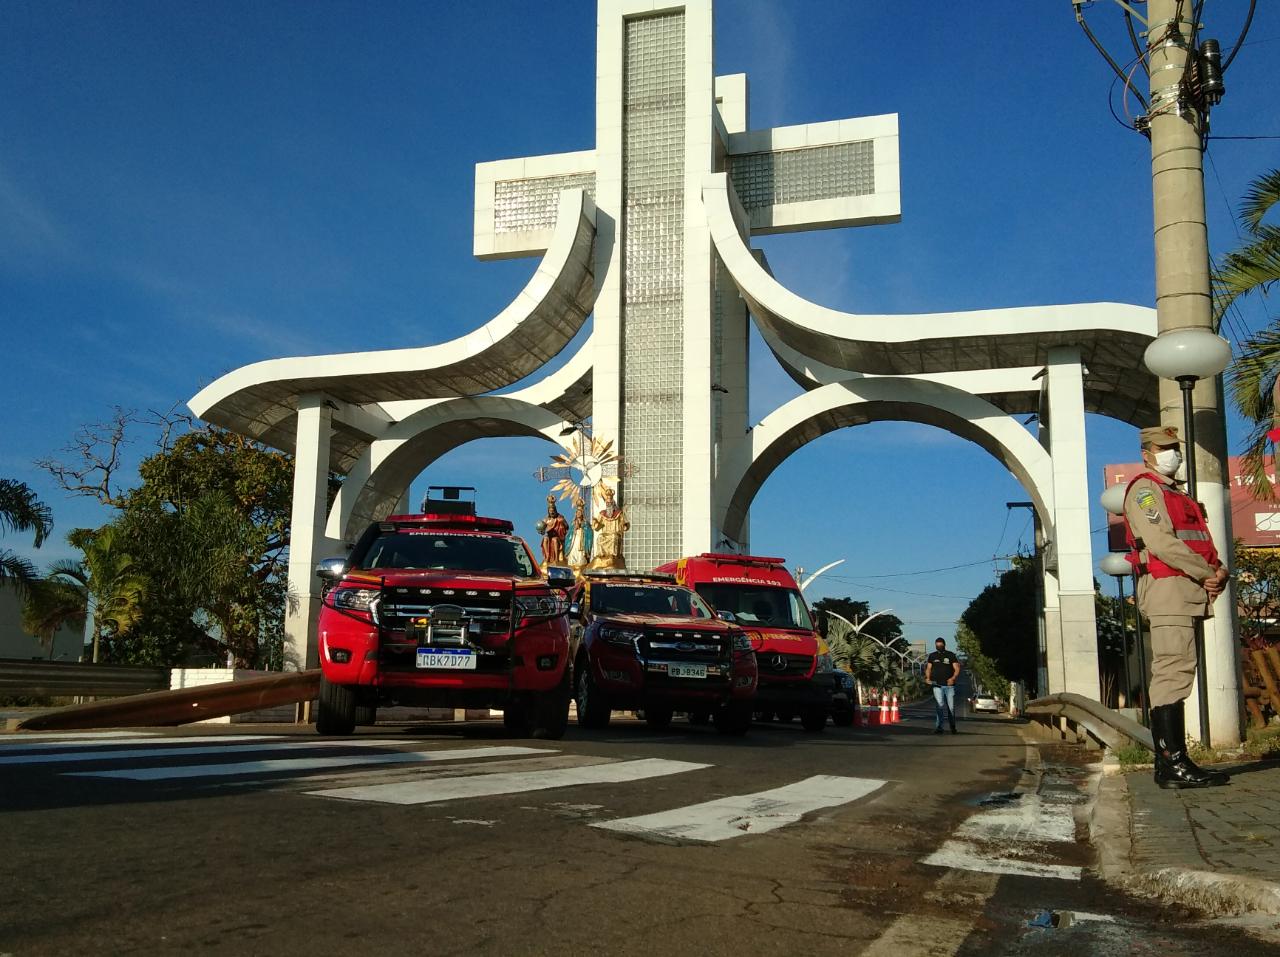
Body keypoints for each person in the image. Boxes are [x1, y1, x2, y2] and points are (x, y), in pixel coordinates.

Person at [1122, 425, 1230, 789]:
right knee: (1172, 671)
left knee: (1180, 669)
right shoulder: (1146, 491)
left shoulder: (1177, 494)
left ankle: (1173, 761)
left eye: (1175, 448)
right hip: (1168, 588)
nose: (1173, 454)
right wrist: (1207, 573)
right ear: (1147, 454)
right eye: (1164, 448)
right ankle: (1172, 761)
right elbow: (1162, 543)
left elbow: (1199, 541)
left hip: (1186, 587)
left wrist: (1219, 570)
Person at [588, 485, 629, 570]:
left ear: (613, 503)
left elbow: (625, 523)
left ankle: (613, 555)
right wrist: (595, 522)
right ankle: (601, 555)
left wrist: (624, 525)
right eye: (607, 503)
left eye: (610, 503)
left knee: (613, 537)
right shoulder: (602, 514)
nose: (608, 505)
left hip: (615, 533)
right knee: (600, 537)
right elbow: (597, 527)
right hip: (605, 533)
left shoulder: (619, 513)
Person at [925, 637, 960, 734]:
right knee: (939, 706)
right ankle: (939, 727)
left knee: (951, 707)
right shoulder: (932, 656)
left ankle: (952, 727)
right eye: (937, 645)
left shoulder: (950, 655)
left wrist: (953, 678)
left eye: (940, 645)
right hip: (937, 685)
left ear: (944, 645)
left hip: (949, 686)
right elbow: (928, 668)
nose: (939, 647)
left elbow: (957, 668)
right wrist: (927, 678)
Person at [538, 496, 568, 567]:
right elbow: (542, 530)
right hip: (549, 537)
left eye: (553, 511)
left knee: (554, 540)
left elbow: (567, 526)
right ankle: (547, 556)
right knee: (545, 539)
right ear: (548, 511)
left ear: (555, 510)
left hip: (558, 537)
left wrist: (562, 523)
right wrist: (540, 531)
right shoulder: (546, 519)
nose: (552, 512)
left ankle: (556, 559)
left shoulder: (560, 517)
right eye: (550, 511)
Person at [565, 499, 593, 571]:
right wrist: (574, 529)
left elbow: (590, 532)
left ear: (582, 513)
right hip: (574, 540)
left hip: (582, 541)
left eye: (580, 512)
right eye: (577, 512)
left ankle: (581, 565)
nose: (578, 514)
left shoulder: (585, 523)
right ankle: (572, 564)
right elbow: (568, 534)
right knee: (573, 553)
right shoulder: (573, 522)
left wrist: (582, 527)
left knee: (580, 556)